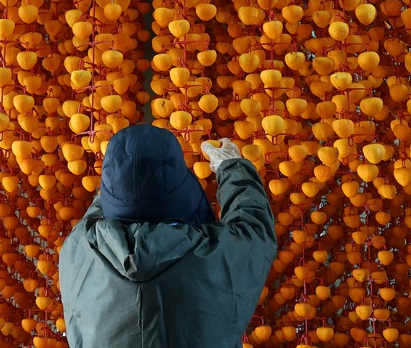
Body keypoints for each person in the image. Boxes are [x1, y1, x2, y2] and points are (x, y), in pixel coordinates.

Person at [59, 124, 277, 348]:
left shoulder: (77, 250)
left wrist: (121, 180)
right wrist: (231, 166)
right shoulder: (209, 254)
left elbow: (101, 209)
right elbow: (254, 230)